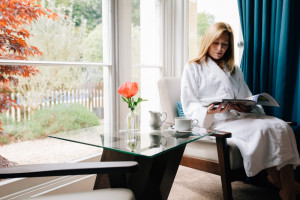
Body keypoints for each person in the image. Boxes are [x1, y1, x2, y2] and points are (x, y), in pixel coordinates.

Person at [181, 22, 300, 200]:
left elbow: (246, 97)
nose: (220, 48)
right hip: (216, 122)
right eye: (216, 43)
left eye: (225, 44)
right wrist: (209, 112)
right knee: (264, 129)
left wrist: (246, 106)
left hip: (239, 117)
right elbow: (189, 104)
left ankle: (282, 182)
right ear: (208, 41)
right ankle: (286, 186)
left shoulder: (234, 69)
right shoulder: (193, 67)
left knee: (281, 125)